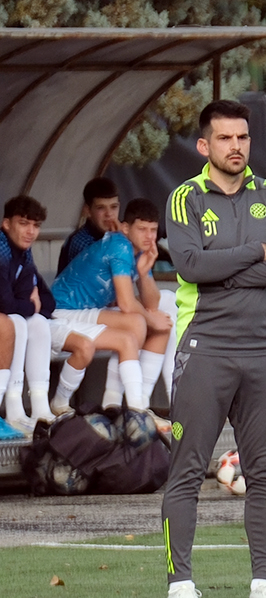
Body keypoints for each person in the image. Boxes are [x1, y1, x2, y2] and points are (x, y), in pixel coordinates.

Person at [160, 99, 266, 598]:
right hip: (206, 347)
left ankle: (262, 588)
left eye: (242, 137)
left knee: (263, 474)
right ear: (205, 146)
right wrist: (251, 254)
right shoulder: (185, 199)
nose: (236, 147)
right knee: (187, 471)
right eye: (225, 139)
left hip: (264, 349)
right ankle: (180, 591)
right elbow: (191, 265)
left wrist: (226, 268)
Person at [47, 198, 172, 416]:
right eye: (142, 229)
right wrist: (152, 319)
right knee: (139, 322)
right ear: (125, 227)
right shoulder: (119, 245)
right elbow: (126, 303)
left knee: (154, 324)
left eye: (153, 230)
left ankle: (131, 403)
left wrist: (143, 274)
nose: (149, 236)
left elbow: (152, 303)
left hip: (85, 313)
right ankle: (133, 409)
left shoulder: (140, 250)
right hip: (62, 312)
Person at [0, 196, 55, 432]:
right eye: (23, 223)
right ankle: (12, 406)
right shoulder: (1, 249)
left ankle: (40, 408)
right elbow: (5, 302)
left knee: (38, 324)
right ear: (6, 224)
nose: (30, 231)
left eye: (36, 225)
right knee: (17, 322)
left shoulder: (24, 252)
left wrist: (30, 305)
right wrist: (31, 305)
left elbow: (48, 300)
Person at [58, 177, 121, 275]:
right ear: (87, 211)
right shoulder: (81, 241)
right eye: (101, 208)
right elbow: (106, 272)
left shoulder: (113, 236)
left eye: (114, 207)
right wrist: (120, 240)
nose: (109, 214)